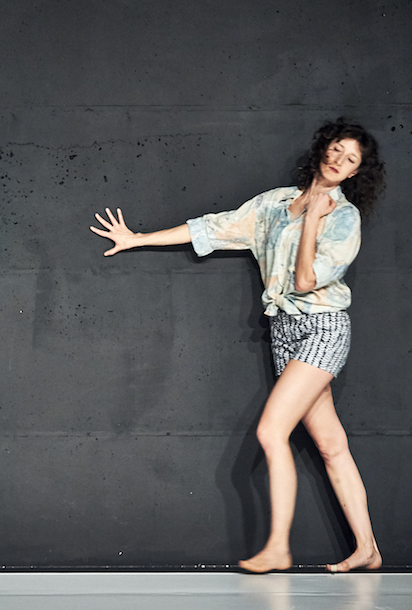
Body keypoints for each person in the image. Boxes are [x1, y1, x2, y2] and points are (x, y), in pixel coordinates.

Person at [90, 118, 385, 573]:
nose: (338, 160)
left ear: (353, 174)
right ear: (322, 150)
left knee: (271, 432)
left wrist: (311, 222)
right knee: (330, 445)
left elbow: (306, 280)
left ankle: (278, 548)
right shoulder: (275, 203)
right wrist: (139, 239)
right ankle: (367, 548)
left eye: (350, 160)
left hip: (323, 327)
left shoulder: (344, 218)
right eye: (336, 149)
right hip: (285, 331)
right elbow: (214, 228)